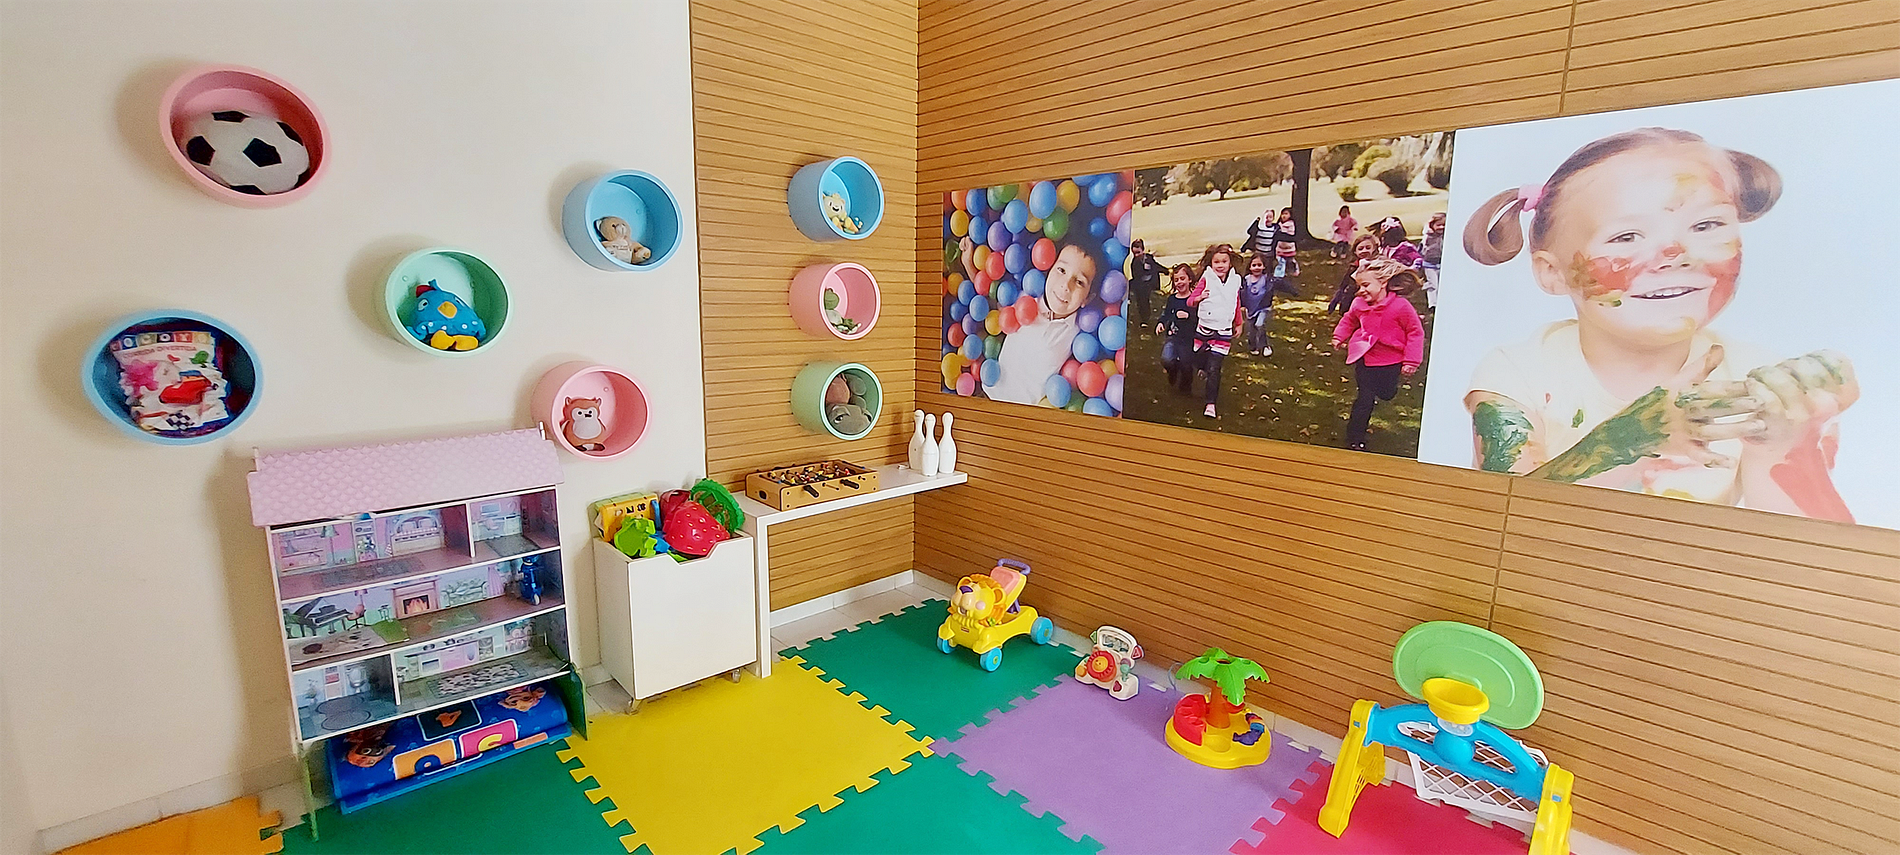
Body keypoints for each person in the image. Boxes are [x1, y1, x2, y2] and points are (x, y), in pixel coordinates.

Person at [1460, 127, 1857, 521]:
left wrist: (1788, 449)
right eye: (1626, 236)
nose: (1676, 253)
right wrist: (1627, 441)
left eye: (1706, 226)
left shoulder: (1759, 382)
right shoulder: (1519, 374)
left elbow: (1813, 551)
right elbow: (1499, 521)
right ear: (1553, 272)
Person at [983, 240, 1101, 405]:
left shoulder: (1076, 333)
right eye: (1061, 270)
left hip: (1021, 415)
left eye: (1079, 282)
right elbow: (986, 301)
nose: (1066, 285)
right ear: (1049, 269)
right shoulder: (1025, 300)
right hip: (986, 395)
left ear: (1087, 299)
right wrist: (968, 263)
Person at [1332, 259, 1425, 451]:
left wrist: (1411, 360)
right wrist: (1339, 336)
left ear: (1383, 283)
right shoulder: (1358, 304)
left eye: (1366, 285)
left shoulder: (1401, 306)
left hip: (1391, 361)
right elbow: (1349, 320)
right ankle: (1355, 438)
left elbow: (1415, 332)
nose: (1361, 291)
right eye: (1359, 286)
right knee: (1364, 399)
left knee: (1387, 393)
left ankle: (1384, 392)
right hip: (1365, 359)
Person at [1186, 244, 1244, 418]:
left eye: (1224, 261)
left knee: (1215, 367)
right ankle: (1202, 367)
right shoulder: (1207, 279)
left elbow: (1236, 302)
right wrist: (1199, 297)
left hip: (1223, 331)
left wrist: (1239, 323)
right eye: (1216, 262)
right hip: (1205, 329)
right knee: (1199, 359)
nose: (1220, 265)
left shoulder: (1235, 280)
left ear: (1230, 263)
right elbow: (1190, 301)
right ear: (1211, 263)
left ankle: (1210, 403)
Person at [1156, 264, 1197, 392]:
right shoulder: (1172, 299)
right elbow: (1166, 314)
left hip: (1188, 339)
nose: (1179, 282)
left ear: (1190, 279)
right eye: (1176, 280)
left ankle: (1185, 387)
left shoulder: (1194, 299)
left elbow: (1199, 318)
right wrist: (1161, 323)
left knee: (1186, 364)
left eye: (1182, 278)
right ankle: (1172, 370)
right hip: (1172, 336)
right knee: (1166, 359)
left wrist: (1188, 315)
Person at [1329, 234, 1381, 313]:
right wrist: (1335, 300)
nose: (1364, 251)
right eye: (1360, 249)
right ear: (1355, 252)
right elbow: (1343, 285)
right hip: (1351, 301)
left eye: (1368, 248)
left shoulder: (1379, 266)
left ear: (1374, 249)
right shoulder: (1354, 266)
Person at [1126, 238, 1165, 326]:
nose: (1136, 255)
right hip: (1141, 284)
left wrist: (1165, 270)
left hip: (1151, 282)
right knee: (1142, 300)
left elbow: (1156, 266)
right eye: (1134, 253)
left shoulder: (1149, 258)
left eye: (1138, 252)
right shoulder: (1134, 263)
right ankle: (1144, 319)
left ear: (1143, 250)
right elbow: (1136, 276)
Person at [1419, 211, 1446, 310]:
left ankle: (1442, 302)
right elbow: (1422, 249)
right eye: (1438, 225)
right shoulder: (1428, 236)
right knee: (1433, 284)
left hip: (1442, 263)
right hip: (1429, 264)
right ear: (1432, 225)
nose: (1441, 227)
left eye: (1444, 225)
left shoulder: (1447, 236)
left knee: (1442, 284)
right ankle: (1433, 304)